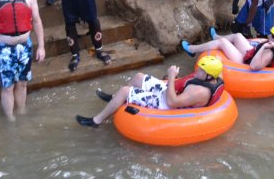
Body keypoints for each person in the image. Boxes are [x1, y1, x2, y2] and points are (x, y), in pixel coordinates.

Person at [76, 54, 224, 128]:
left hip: (165, 103)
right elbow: (219, 68)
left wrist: (171, 77)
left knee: (125, 92)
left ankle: (97, 121)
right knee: (139, 77)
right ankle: (113, 99)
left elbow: (172, 102)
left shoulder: (199, 92)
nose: (197, 71)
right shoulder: (214, 77)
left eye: (201, 70)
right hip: (170, 92)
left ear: (209, 75)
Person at [181, 23, 274, 70]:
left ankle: (192, 49)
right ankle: (216, 36)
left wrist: (264, 48)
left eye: (273, 35)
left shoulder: (270, 52)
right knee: (238, 36)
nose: (270, 35)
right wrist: (259, 44)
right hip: (251, 53)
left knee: (222, 43)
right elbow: (264, 41)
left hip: (244, 61)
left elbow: (254, 66)